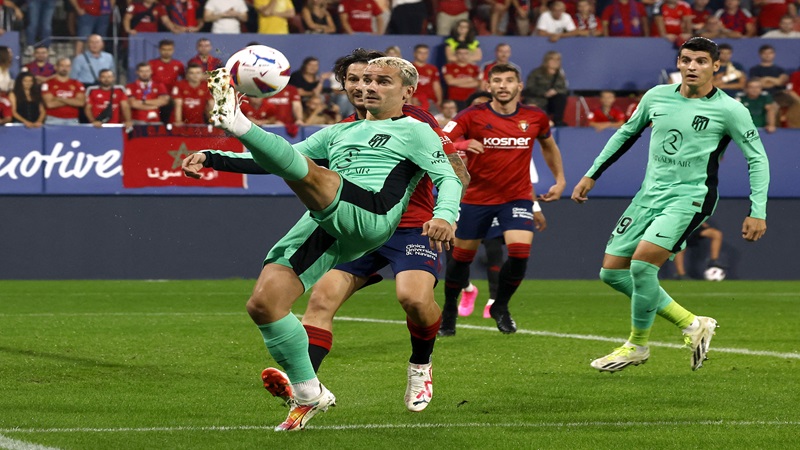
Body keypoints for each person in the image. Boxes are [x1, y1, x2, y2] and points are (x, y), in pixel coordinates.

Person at [184, 48, 470, 415]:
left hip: (379, 218)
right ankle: (308, 392)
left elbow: (449, 176)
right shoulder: (338, 132)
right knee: (265, 303)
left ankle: (421, 365)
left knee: (413, 298)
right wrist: (211, 157)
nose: (368, 86)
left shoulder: (417, 129)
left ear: (406, 93)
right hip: (331, 218)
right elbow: (280, 157)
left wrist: (446, 215)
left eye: (382, 81)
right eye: (364, 80)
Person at [570, 37, 769, 373]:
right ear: (678, 63)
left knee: (641, 267)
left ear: (716, 67)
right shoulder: (656, 96)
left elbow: (758, 160)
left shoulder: (730, 110)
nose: (692, 67)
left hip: (690, 196)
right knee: (612, 273)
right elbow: (625, 134)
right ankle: (693, 323)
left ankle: (637, 345)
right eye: (686, 60)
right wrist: (592, 174)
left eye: (701, 61)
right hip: (649, 194)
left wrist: (758, 210)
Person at [439, 62, 567, 336]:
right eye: (497, 81)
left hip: (516, 197)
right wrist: (462, 144)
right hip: (477, 198)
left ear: (519, 86)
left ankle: (500, 306)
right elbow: (439, 138)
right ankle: (449, 311)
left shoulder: (535, 117)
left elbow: (548, 145)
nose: (503, 86)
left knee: (520, 255)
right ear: (488, 86)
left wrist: (560, 180)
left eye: (509, 80)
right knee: (461, 260)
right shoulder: (471, 115)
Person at [522, 50, 569, 127]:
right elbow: (530, 87)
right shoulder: (536, 73)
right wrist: (544, 92)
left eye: (557, 60)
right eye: (552, 59)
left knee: (561, 97)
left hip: (552, 102)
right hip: (538, 99)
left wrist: (556, 91)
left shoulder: (560, 74)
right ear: (547, 60)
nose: (555, 62)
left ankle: (557, 121)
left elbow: (564, 88)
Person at [41, 57, 86, 125]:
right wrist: (72, 101)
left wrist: (59, 98)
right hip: (53, 119)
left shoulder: (77, 84)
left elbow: (80, 103)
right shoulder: (48, 83)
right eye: (62, 65)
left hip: (73, 120)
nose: (65, 68)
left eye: (67, 66)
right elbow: (49, 104)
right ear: (56, 67)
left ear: (70, 68)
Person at [442, 44, 482, 110]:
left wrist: (457, 83)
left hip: (471, 100)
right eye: (460, 53)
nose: (463, 56)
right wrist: (470, 79)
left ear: (469, 55)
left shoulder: (475, 68)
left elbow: (478, 83)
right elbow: (450, 82)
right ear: (456, 54)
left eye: (466, 53)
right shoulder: (448, 67)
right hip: (454, 100)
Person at [411, 44, 443, 112]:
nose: (423, 55)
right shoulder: (410, 67)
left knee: (435, 119)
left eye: (425, 53)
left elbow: (436, 85)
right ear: (414, 54)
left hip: (430, 100)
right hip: (414, 100)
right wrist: (409, 100)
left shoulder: (432, 68)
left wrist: (439, 100)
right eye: (420, 53)